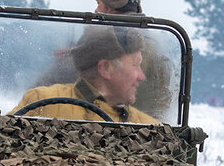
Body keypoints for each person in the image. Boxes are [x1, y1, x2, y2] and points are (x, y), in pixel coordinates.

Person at [11, 25, 158, 124]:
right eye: (135, 64)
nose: (141, 76)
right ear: (105, 68)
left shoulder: (148, 127)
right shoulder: (39, 103)